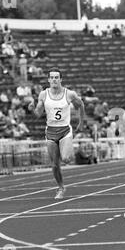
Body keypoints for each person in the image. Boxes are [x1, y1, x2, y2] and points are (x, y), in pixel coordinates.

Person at [28, 68, 85, 199]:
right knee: (54, 164)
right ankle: (61, 187)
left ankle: (69, 150)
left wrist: (81, 122)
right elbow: (38, 114)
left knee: (65, 159)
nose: (54, 79)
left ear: (61, 79)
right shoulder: (43, 95)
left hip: (65, 130)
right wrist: (31, 109)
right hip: (51, 131)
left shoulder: (69, 94)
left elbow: (81, 105)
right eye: (52, 77)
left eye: (56, 77)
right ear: (48, 80)